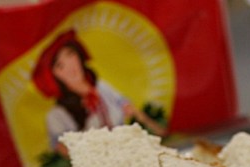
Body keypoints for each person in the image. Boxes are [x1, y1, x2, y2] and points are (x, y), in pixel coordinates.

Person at [32, 29, 166, 151]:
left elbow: (127, 107)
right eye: (60, 65)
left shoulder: (101, 88)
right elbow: (62, 147)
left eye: (71, 55)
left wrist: (156, 129)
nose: (70, 66)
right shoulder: (57, 115)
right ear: (53, 76)